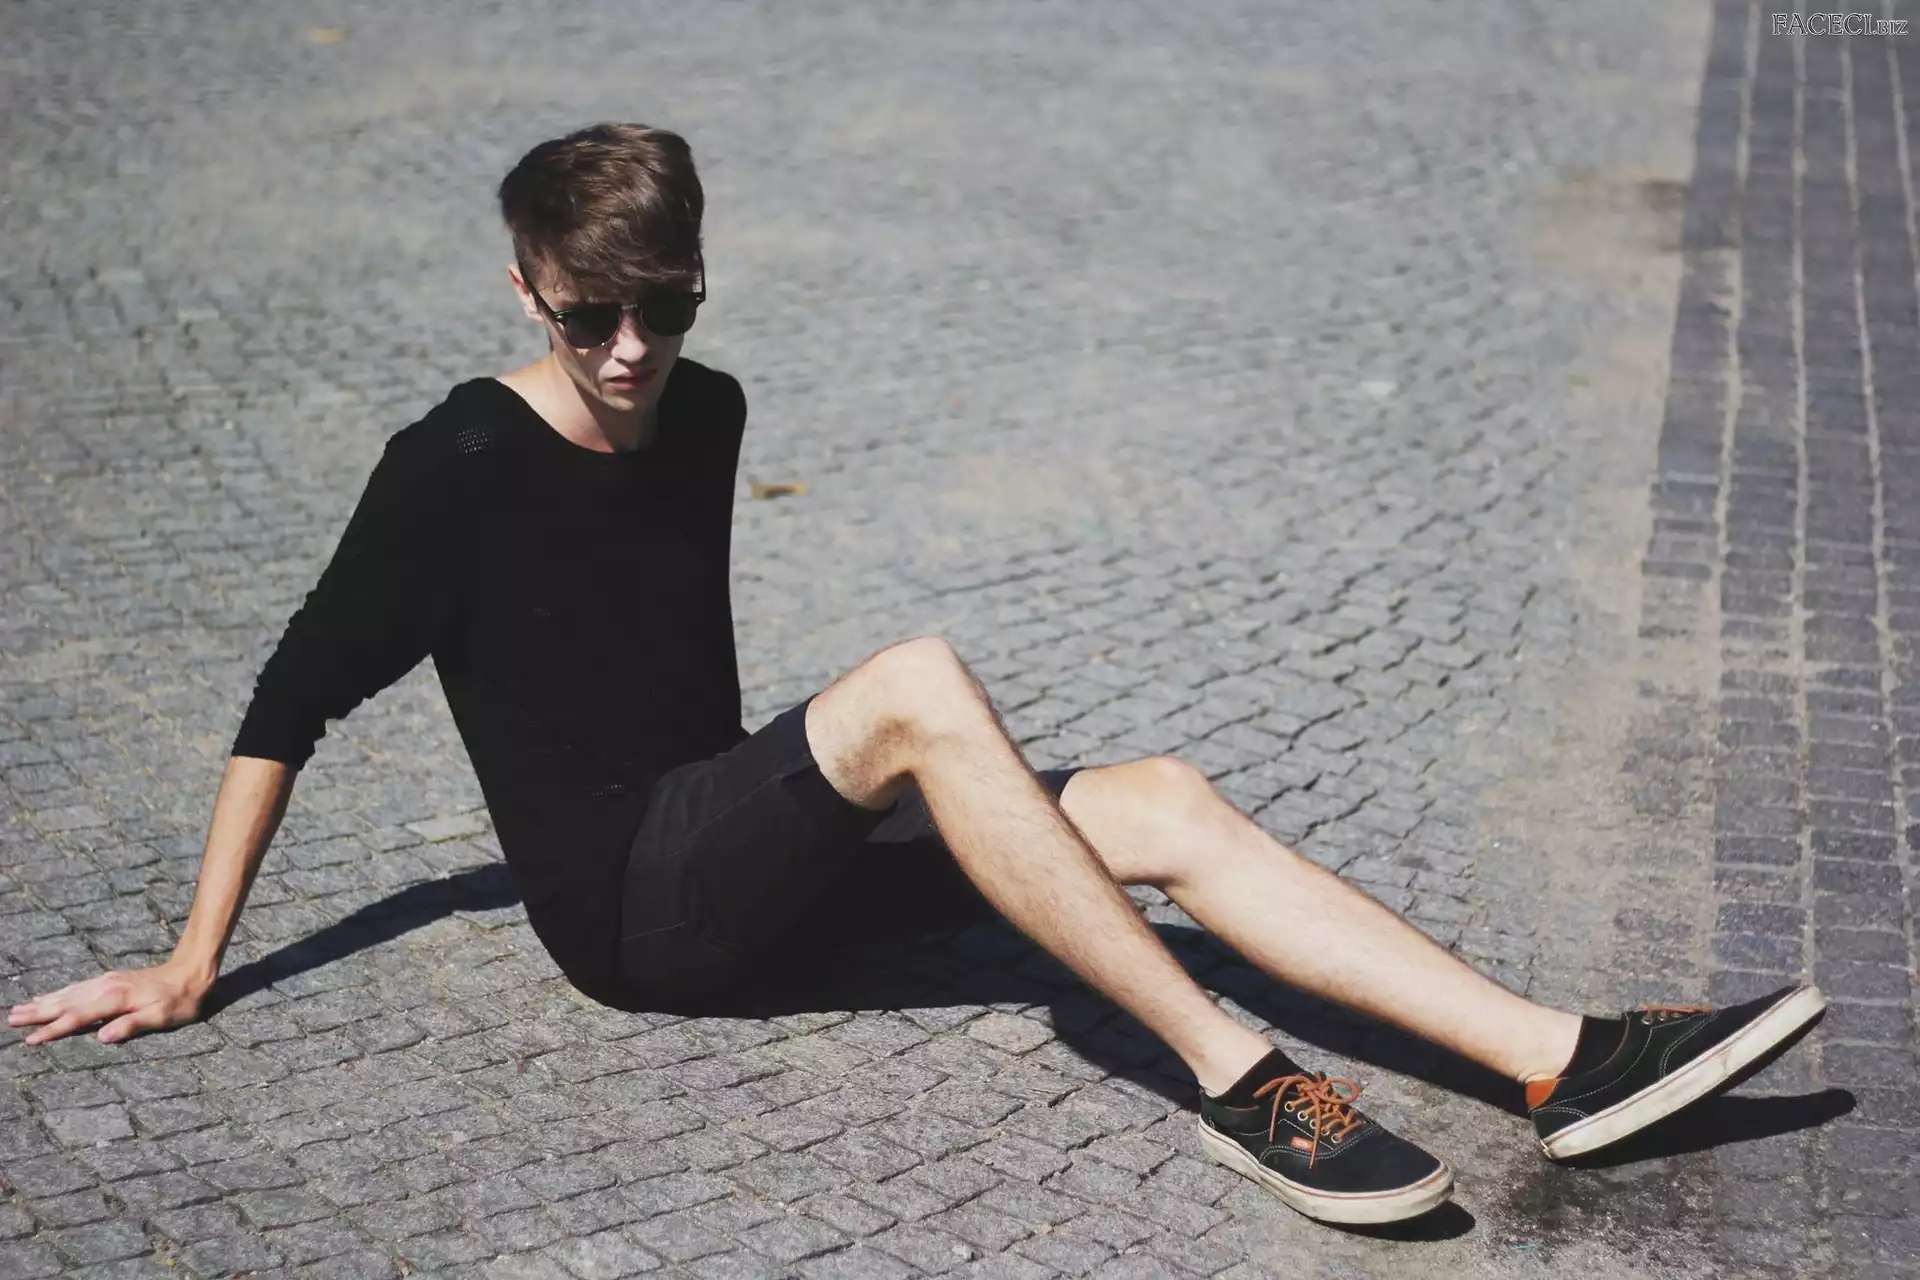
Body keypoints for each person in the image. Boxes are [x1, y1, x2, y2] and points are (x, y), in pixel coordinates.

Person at [7, 123, 1828, 1227]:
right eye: (590, 317)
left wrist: (808, 800)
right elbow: (292, 695)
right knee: (914, 687)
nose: (633, 352)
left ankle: (1558, 1062)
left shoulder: (708, 411)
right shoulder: (455, 465)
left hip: (739, 855)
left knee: (1162, 800)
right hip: (639, 919)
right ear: (523, 291)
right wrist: (191, 962)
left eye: (668, 308)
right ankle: (1236, 1076)